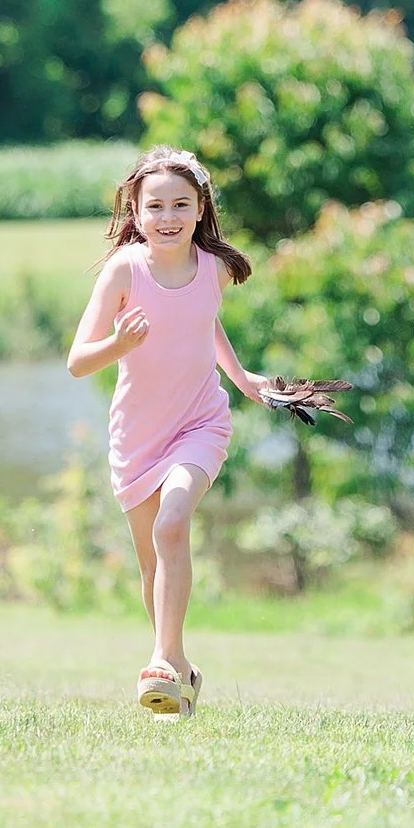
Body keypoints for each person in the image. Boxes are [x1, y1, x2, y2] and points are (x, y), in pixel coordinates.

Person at [66, 146, 271, 720]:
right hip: (137, 436)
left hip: (201, 421)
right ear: (135, 211)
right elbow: (79, 361)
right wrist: (119, 345)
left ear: (202, 208)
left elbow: (206, 323)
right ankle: (179, 673)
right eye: (154, 206)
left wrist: (242, 378)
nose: (168, 216)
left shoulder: (212, 266)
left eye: (181, 204)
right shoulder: (125, 270)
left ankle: (159, 659)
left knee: (173, 522)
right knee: (153, 567)